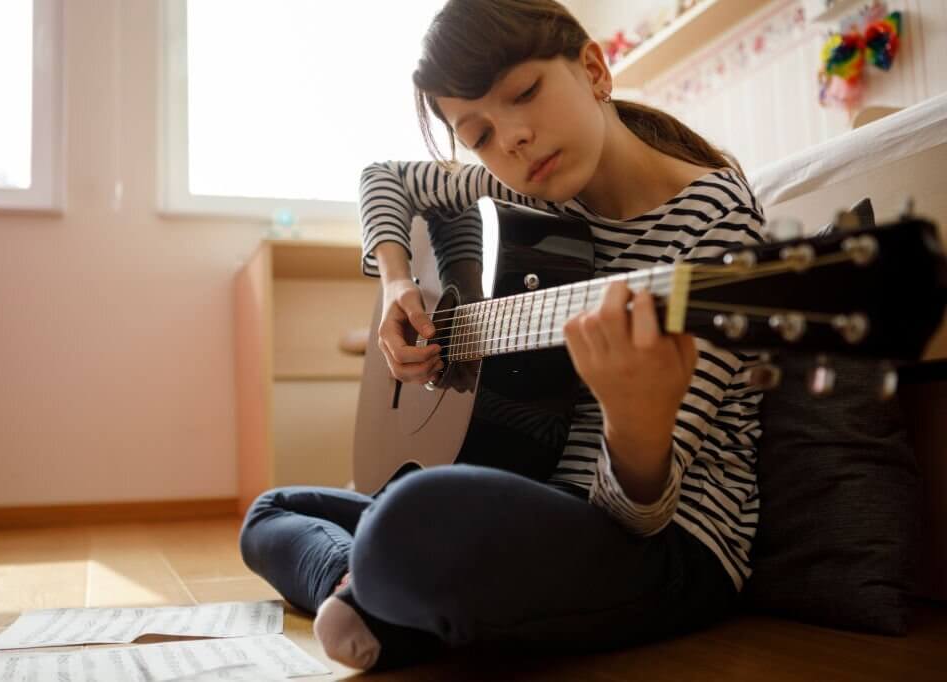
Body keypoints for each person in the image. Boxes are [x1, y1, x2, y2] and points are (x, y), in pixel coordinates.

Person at [239, 0, 766, 672]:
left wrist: (635, 417)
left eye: (524, 94)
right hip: (531, 496)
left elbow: (637, 519)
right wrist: (397, 285)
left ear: (594, 69)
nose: (512, 139)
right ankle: (366, 586)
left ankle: (380, 592)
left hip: (668, 549)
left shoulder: (715, 224)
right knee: (272, 510)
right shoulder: (530, 197)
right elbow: (383, 178)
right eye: (479, 133)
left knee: (409, 513)